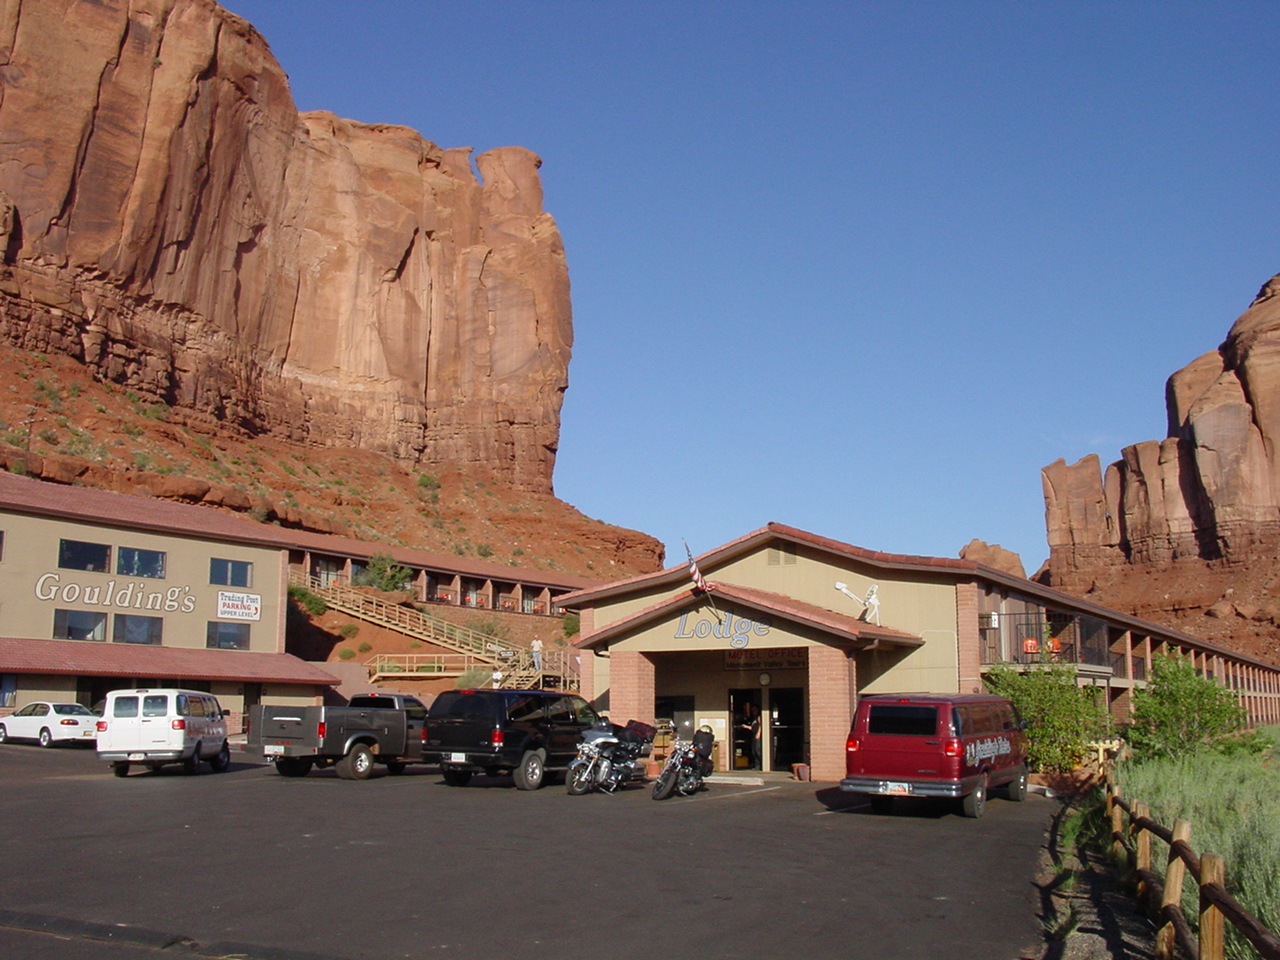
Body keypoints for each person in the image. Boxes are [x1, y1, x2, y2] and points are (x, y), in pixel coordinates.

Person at [739, 702, 762, 770]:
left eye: (755, 710)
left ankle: (761, 764)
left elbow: (761, 726)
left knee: (758, 751)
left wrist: (758, 734)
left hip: (757, 737)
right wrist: (746, 726)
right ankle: (757, 766)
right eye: (752, 710)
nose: (753, 712)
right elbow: (753, 727)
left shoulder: (759, 717)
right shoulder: (754, 719)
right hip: (753, 736)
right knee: (754, 751)